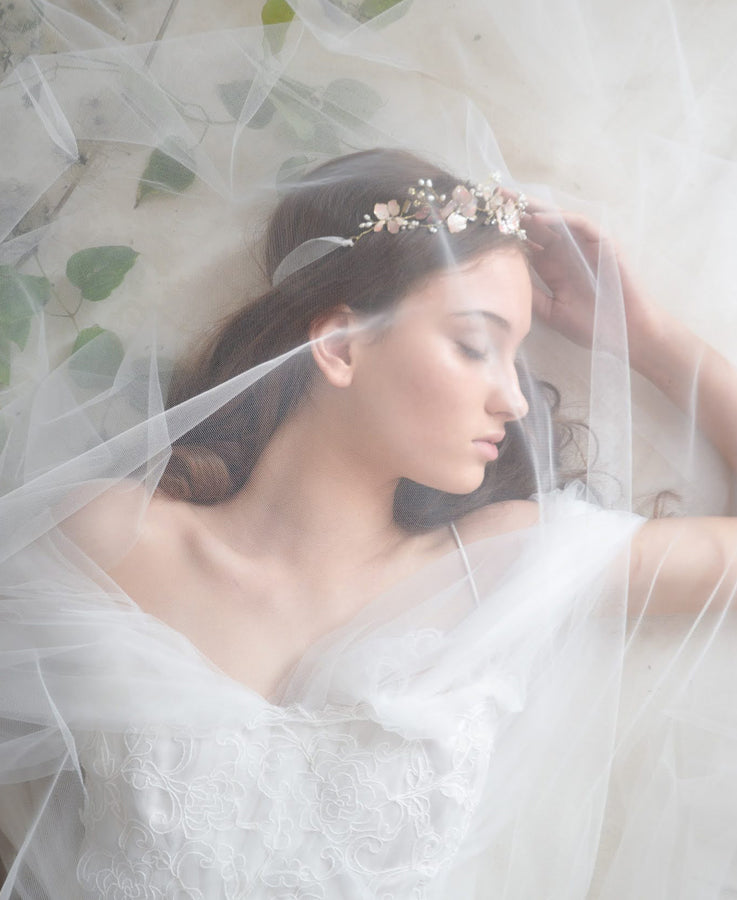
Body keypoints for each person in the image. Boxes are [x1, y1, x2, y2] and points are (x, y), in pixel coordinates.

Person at [2, 143, 737, 899]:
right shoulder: (110, 539)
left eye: (513, 361)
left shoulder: (506, 564)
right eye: (475, 346)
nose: (514, 402)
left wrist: (647, 339)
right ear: (340, 345)